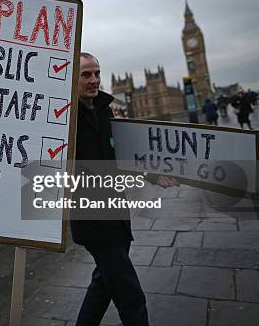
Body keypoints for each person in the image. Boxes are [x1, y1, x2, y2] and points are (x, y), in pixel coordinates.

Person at [70, 52, 176, 326]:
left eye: (97, 73)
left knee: (102, 286)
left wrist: (152, 174)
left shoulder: (106, 111)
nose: (94, 80)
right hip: (92, 218)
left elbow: (121, 158)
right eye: (86, 75)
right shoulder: (64, 120)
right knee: (131, 297)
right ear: (72, 78)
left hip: (117, 213)